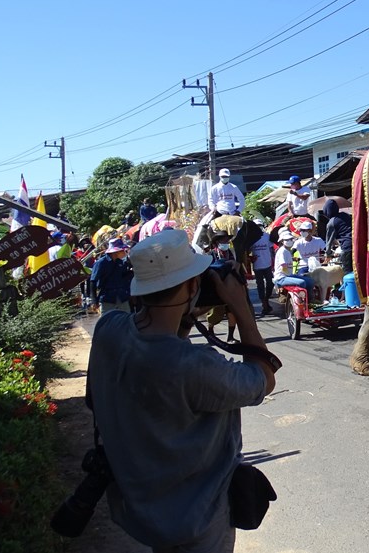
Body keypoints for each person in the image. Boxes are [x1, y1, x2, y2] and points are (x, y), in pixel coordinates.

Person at [86, 229, 275, 551]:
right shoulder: (194, 365)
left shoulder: (109, 330)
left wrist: (185, 317)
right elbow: (262, 380)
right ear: (191, 285)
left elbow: (155, 346)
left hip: (139, 509)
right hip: (196, 520)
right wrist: (241, 308)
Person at [207, 230, 239, 343]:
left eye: (227, 240)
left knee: (232, 313)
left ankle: (230, 337)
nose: (226, 242)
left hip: (230, 288)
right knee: (215, 313)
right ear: (217, 242)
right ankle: (210, 332)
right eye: (223, 240)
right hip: (216, 288)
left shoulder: (230, 253)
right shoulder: (211, 254)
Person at [90, 238, 133, 314]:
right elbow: (93, 281)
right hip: (107, 298)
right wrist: (94, 300)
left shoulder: (121, 262)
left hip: (122, 296)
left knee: (126, 320)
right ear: (116, 252)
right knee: (107, 321)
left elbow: (123, 276)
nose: (124, 252)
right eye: (122, 250)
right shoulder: (101, 263)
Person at [323, 198, 353, 274]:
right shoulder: (345, 215)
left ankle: (351, 286)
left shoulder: (331, 222)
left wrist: (328, 254)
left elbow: (329, 241)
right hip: (358, 244)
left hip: (348, 247)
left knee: (348, 273)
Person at [250, 222, 273, 317]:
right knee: (260, 285)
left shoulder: (267, 236)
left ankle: (266, 299)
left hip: (267, 264)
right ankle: (264, 303)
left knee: (270, 283)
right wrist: (250, 258)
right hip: (257, 266)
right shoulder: (251, 238)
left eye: (260, 225)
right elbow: (247, 251)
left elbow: (271, 248)